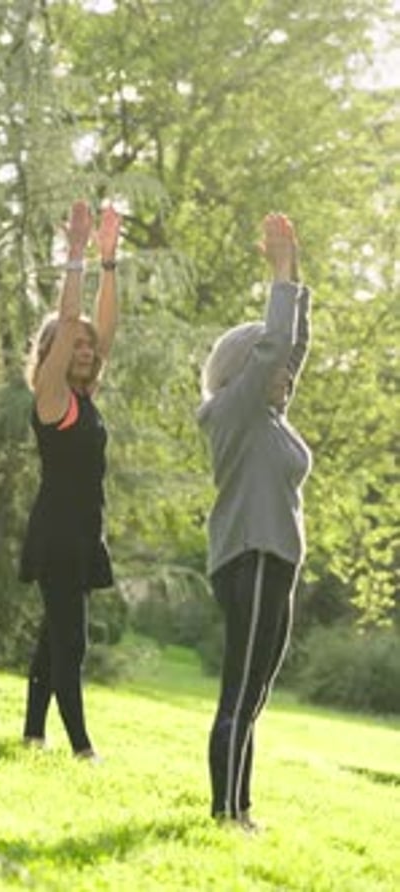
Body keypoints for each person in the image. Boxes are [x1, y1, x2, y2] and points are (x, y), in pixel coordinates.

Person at [197, 212, 312, 830]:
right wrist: (279, 278)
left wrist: (296, 274)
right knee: (239, 693)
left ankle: (240, 808)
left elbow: (291, 346)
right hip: (251, 556)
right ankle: (223, 814)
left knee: (257, 696)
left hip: (279, 560)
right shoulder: (233, 412)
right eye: (274, 367)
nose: (287, 374)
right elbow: (275, 342)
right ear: (248, 369)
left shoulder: (272, 418)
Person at [19, 199, 121, 759]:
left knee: (49, 640)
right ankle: (82, 748)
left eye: (87, 346)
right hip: (57, 534)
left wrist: (109, 262)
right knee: (70, 642)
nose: (86, 349)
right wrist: (76, 258)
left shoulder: (87, 396)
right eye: (73, 344)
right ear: (56, 352)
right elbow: (71, 330)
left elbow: (107, 327)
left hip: (84, 534)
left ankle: (33, 734)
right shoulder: (53, 397)